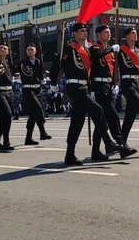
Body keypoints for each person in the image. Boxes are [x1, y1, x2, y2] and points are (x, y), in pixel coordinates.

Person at [49, 22, 116, 165]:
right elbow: (56, 65)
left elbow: (90, 71)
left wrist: (91, 88)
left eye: (86, 31)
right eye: (81, 31)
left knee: (77, 122)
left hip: (84, 88)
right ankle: (109, 142)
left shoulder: (86, 50)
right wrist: (53, 83)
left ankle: (70, 155)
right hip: (74, 87)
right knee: (98, 110)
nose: (85, 33)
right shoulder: (68, 49)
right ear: (74, 34)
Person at [89, 25, 137, 159]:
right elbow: (97, 56)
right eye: (105, 32)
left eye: (109, 32)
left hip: (108, 86)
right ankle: (122, 145)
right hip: (98, 86)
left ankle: (95, 152)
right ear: (98, 34)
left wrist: (115, 84)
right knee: (113, 116)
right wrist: (111, 48)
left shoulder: (111, 51)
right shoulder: (95, 48)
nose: (108, 34)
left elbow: (114, 69)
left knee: (102, 120)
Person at [19, 43, 52, 145]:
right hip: (28, 90)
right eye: (28, 50)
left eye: (31, 50)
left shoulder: (38, 62)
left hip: (37, 90)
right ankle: (43, 131)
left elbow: (40, 74)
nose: (30, 51)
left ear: (35, 51)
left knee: (33, 115)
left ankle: (28, 138)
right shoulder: (22, 63)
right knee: (38, 108)